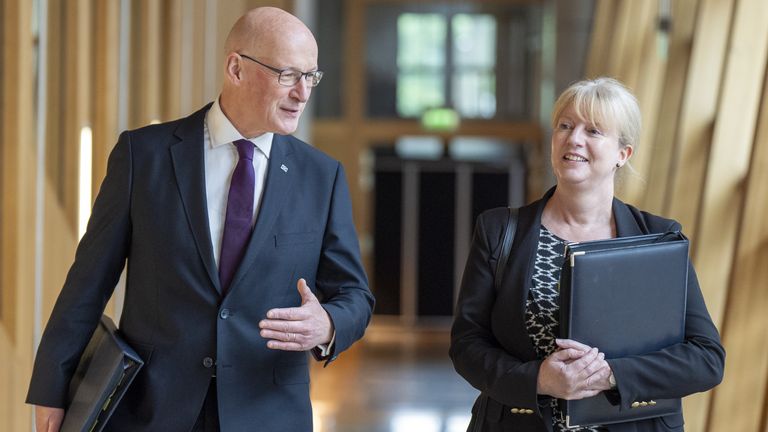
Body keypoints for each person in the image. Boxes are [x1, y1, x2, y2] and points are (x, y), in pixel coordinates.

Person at [27, 7, 374, 432]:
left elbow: (355, 294)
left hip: (267, 412)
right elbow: (88, 282)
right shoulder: (143, 156)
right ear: (236, 68)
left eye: (311, 77)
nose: (303, 93)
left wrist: (328, 325)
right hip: (151, 410)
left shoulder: (323, 176)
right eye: (288, 75)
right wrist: (51, 389)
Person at [449, 77, 724, 431]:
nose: (573, 138)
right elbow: (467, 345)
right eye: (565, 126)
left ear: (623, 154)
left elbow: (706, 358)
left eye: (593, 131)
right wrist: (539, 380)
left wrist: (611, 375)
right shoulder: (500, 230)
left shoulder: (660, 239)